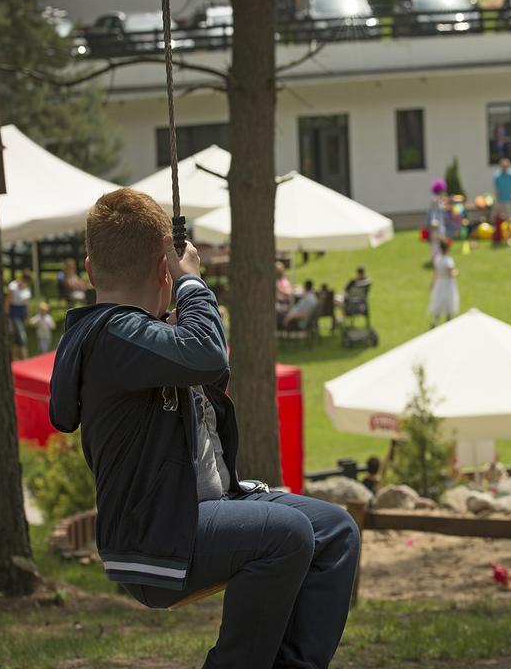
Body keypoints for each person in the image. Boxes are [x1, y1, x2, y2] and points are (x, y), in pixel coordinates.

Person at [49, 188, 358, 668]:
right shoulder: (111, 335)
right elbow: (209, 354)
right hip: (153, 536)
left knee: (335, 530)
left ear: (88, 269)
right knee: (288, 534)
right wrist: (191, 284)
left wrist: (177, 322)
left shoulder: (142, 337)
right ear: (162, 270)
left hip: (198, 512)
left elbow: (209, 370)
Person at [429, 239, 459, 327]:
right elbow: (451, 273)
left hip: (439, 283)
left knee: (439, 303)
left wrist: (432, 284)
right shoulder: (448, 261)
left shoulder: (438, 260)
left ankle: (435, 321)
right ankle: (449, 322)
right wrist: (457, 272)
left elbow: (436, 273)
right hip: (448, 284)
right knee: (449, 304)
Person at [7, 271, 33, 360]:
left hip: (22, 313)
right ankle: (26, 359)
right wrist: (6, 314)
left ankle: (13, 358)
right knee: (22, 335)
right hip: (14, 313)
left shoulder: (26, 288)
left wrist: (29, 316)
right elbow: (8, 301)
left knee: (16, 336)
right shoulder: (12, 286)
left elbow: (27, 304)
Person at [492, 158, 511, 246]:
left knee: (509, 221)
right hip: (499, 201)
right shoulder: (497, 176)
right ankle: (498, 237)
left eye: (506, 166)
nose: (504, 167)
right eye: (503, 166)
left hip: (508, 201)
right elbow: (496, 189)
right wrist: (496, 201)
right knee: (498, 220)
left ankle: (509, 238)